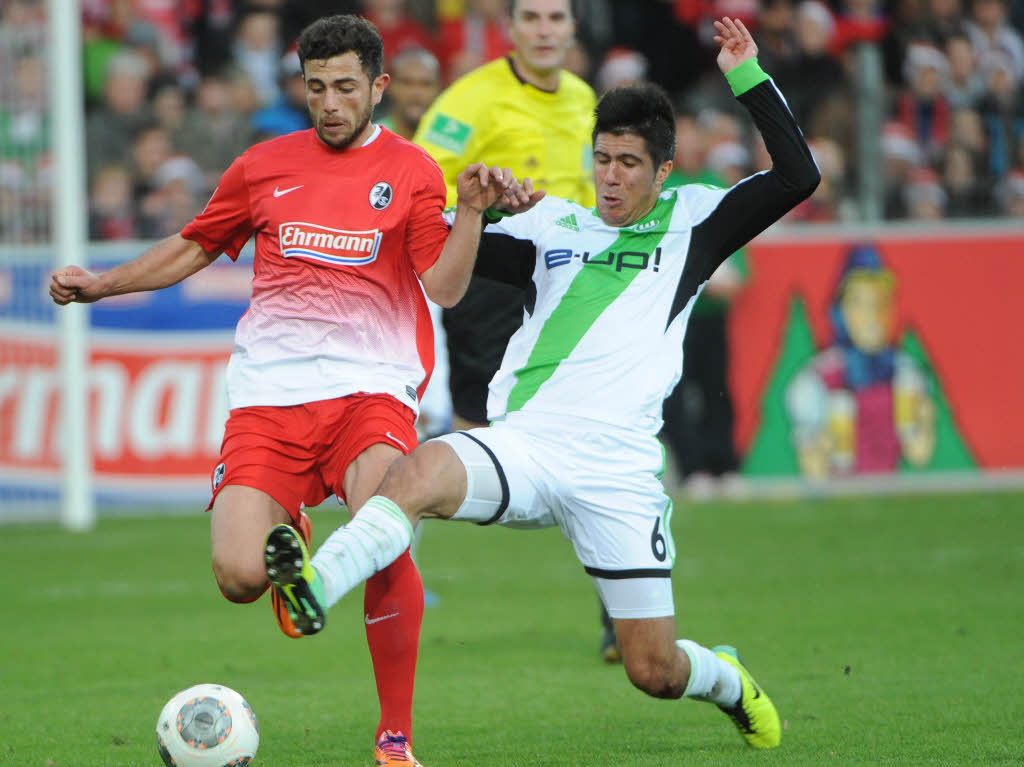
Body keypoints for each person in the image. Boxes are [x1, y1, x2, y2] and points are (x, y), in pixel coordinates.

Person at [263, 17, 820, 757]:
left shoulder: (695, 222)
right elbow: (437, 252)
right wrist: (475, 204)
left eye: (628, 163)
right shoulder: (552, 226)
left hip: (618, 472)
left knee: (652, 668)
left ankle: (728, 681)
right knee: (420, 468)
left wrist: (747, 75)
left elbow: (797, 176)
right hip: (526, 446)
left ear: (662, 172)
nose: (612, 177)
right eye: (602, 160)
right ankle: (313, 586)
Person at [49, 14, 524, 767]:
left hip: (369, 393)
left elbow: (444, 285)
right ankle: (287, 557)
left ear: (378, 87)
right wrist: (102, 283)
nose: (329, 103)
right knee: (238, 575)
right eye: (314, 88)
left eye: (343, 87)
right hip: (267, 400)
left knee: (384, 523)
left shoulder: (410, 171)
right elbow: (195, 244)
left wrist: (468, 210)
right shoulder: (262, 165)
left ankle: (394, 736)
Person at [410, 0, 609, 660]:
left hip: (569, 289)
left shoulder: (585, 99)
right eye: (532, 18)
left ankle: (622, 608)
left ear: (573, 28)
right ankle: (390, 526)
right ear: (512, 28)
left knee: (592, 435)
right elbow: (420, 176)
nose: (545, 30)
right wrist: (477, 211)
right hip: (493, 282)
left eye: (557, 17)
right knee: (482, 430)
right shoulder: (472, 98)